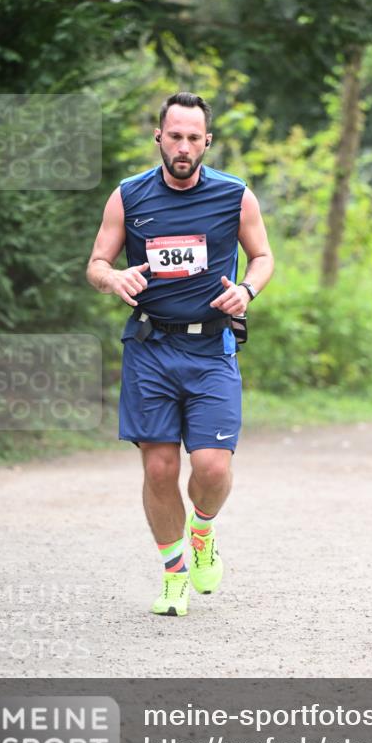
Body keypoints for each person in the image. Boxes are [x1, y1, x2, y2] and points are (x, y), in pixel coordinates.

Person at [87, 92, 274, 617]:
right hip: (150, 347)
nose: (184, 147)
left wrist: (248, 289)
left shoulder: (235, 195)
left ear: (207, 142)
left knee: (211, 468)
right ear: (159, 138)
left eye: (194, 138)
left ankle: (203, 531)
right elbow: (97, 263)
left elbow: (262, 256)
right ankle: (173, 575)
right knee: (160, 469)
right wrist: (113, 278)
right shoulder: (128, 196)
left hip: (212, 348)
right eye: (175, 136)